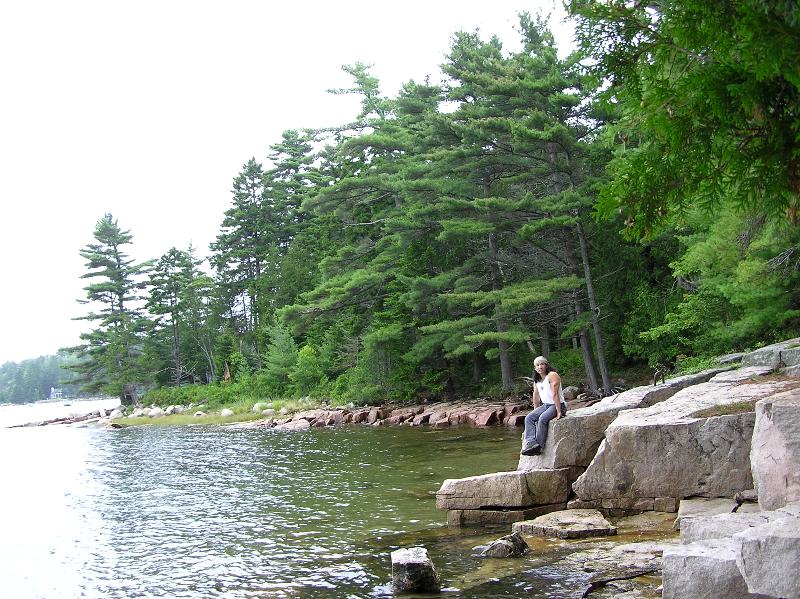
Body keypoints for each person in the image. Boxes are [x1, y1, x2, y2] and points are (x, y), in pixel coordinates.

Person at [521, 355, 567, 456]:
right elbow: (536, 396)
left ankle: (539, 446)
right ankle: (531, 443)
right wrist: (535, 410)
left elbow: (555, 394)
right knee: (529, 418)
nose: (540, 367)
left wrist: (559, 412)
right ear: (535, 368)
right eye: (537, 365)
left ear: (546, 365)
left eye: (542, 364)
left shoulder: (552, 375)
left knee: (542, 418)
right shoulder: (537, 380)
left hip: (557, 405)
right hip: (546, 405)